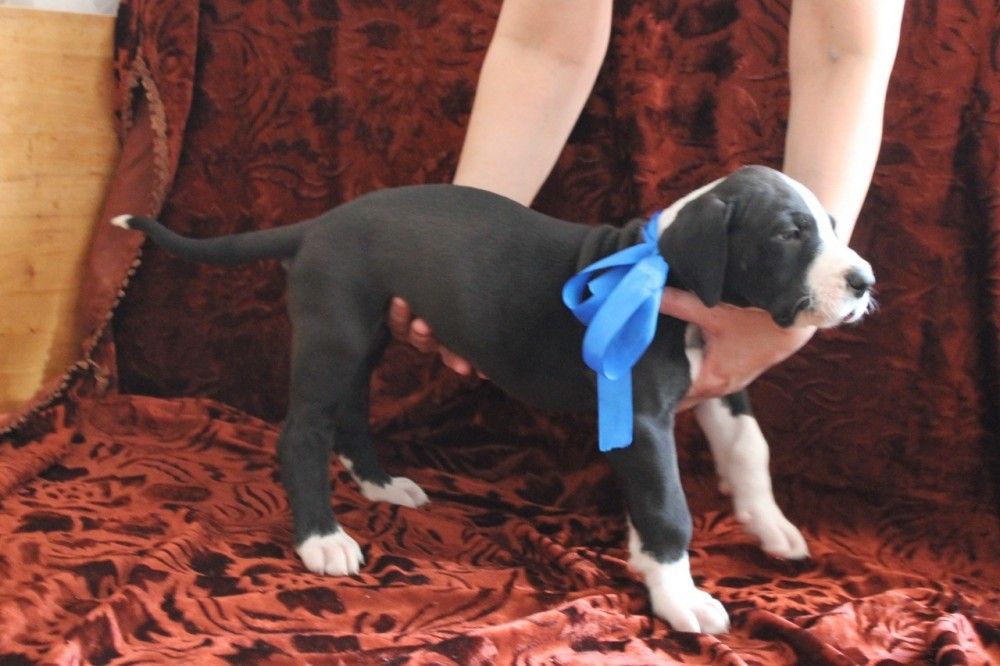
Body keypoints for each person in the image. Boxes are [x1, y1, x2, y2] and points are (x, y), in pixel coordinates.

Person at [387, 0, 905, 408]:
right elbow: (544, 41)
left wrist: (800, 306)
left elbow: (843, 51)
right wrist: (465, 242)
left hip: (768, 234)